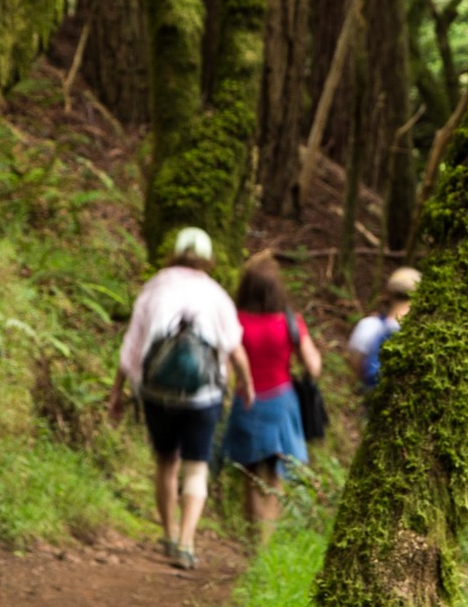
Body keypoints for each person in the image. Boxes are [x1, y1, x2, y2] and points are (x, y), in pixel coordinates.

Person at [109, 227, 252, 569]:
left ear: (174, 252)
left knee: (165, 462)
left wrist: (117, 391)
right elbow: (234, 348)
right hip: (204, 395)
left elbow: (131, 346)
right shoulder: (216, 294)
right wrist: (246, 384)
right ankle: (187, 543)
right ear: (208, 259)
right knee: (196, 468)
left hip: (156, 392)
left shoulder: (155, 287)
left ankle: (169, 534)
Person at [219, 252, 322, 540]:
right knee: (275, 477)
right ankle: (266, 544)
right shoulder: (290, 322)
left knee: (251, 477)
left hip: (247, 401)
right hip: (281, 403)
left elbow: (226, 371)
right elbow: (313, 366)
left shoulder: (235, 321)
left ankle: (255, 546)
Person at [346, 265, 421, 390]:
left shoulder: (369, 324)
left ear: (388, 293)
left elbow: (355, 365)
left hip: (373, 400)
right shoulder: (421, 332)